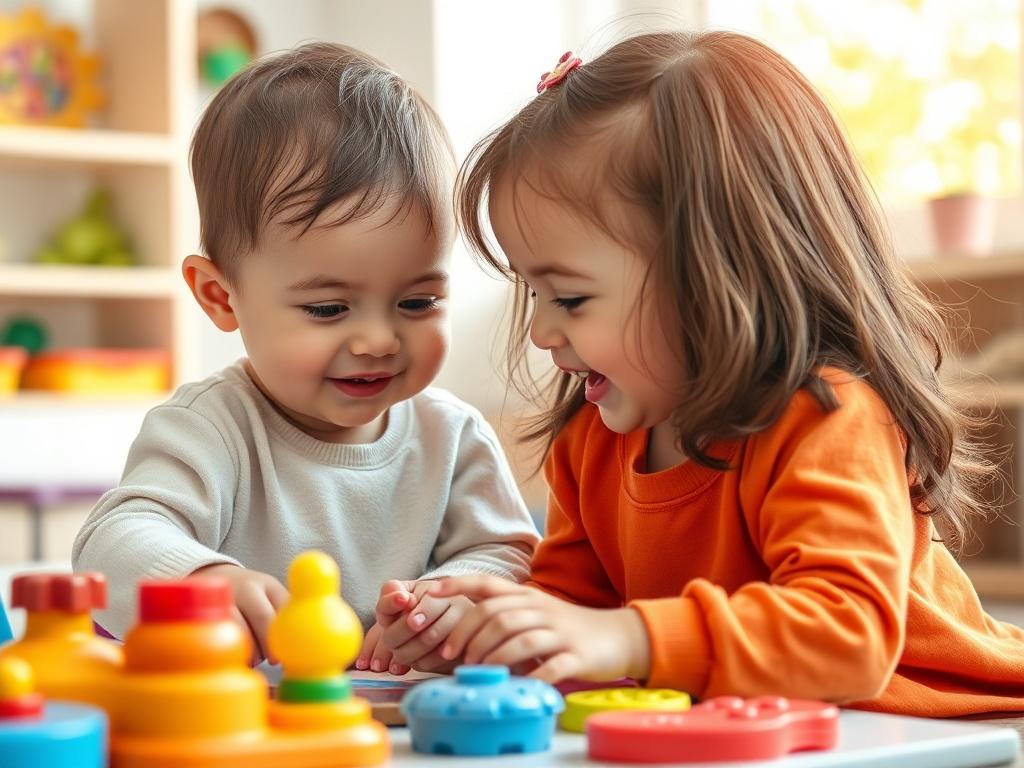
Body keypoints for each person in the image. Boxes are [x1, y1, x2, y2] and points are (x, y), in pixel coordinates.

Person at [431, 31, 1024, 716]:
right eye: (532, 293)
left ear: (716, 276)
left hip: (939, 726)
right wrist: (484, 628)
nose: (539, 331)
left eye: (570, 298)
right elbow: (573, 619)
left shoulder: (830, 418)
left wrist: (629, 635)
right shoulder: (591, 445)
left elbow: (847, 637)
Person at [72, 42, 539, 673]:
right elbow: (112, 542)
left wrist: (449, 600)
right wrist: (202, 582)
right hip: (241, 724)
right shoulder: (211, 427)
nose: (378, 340)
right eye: (328, 309)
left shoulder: (452, 436)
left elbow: (508, 555)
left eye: (419, 301)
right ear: (220, 296)